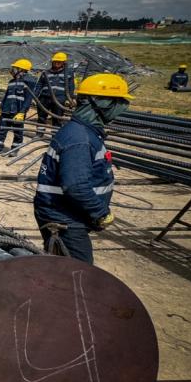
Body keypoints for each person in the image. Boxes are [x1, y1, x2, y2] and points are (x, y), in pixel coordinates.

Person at [33, 73, 133, 264]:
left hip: (66, 215)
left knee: (63, 271)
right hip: (64, 219)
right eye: (118, 102)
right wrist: (100, 212)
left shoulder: (80, 132)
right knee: (78, 276)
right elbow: (76, 185)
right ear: (101, 103)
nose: (120, 108)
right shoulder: (80, 139)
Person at [0, 59, 36, 154]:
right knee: (1, 130)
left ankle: (14, 150)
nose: (12, 70)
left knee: (18, 132)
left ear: (21, 70)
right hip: (6, 110)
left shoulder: (29, 81)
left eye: (15, 68)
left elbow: (28, 99)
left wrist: (22, 112)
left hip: (17, 112)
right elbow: (6, 96)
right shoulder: (11, 81)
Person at [34, 52, 75, 131]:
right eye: (55, 61)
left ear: (63, 62)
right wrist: (35, 96)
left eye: (59, 62)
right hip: (44, 97)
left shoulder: (68, 73)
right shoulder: (46, 72)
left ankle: (54, 135)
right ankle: (39, 133)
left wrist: (70, 98)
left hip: (59, 98)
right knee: (41, 117)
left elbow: (71, 86)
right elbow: (39, 84)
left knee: (57, 118)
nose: (57, 63)